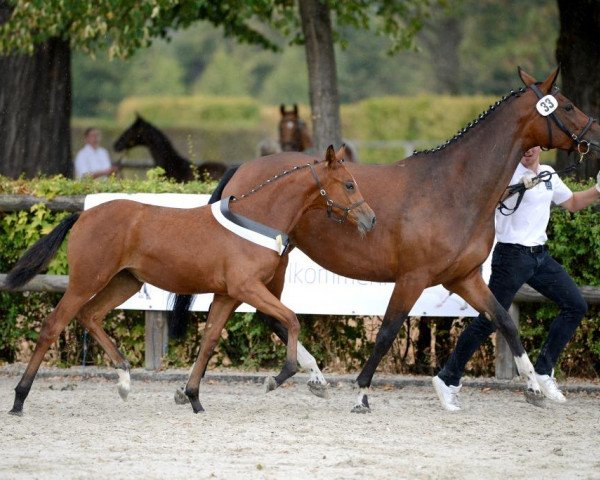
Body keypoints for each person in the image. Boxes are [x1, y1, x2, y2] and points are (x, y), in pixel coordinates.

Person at [432, 146, 600, 411]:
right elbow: (490, 199)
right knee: (489, 321)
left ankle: (544, 370)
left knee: (576, 305)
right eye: (523, 147)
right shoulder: (507, 173)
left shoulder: (548, 174)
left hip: (540, 257)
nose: (528, 151)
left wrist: (598, 189)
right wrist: (519, 186)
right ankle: (447, 379)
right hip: (511, 257)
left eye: (533, 146)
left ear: (541, 148)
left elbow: (573, 203)